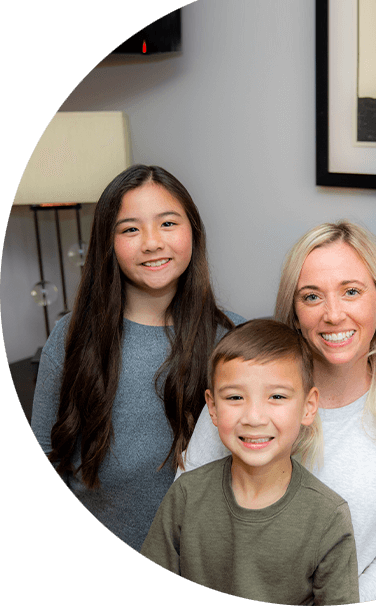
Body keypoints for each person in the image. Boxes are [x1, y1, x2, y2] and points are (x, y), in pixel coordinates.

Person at [179, 221, 376, 601]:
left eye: (351, 292)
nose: (333, 315)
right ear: (295, 312)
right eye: (311, 297)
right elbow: (188, 511)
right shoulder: (245, 393)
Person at [30, 164, 244, 552]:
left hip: (205, 561)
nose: (151, 242)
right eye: (130, 229)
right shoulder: (70, 337)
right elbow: (47, 448)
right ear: (107, 243)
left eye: (167, 223)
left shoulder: (233, 339)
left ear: (193, 231)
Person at [141, 319, 360, 604]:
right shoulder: (186, 495)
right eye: (235, 397)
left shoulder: (328, 516)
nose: (254, 418)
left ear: (308, 407)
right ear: (213, 408)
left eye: (277, 396)